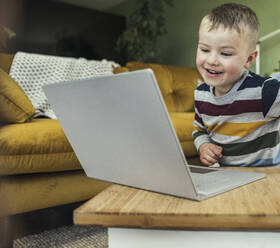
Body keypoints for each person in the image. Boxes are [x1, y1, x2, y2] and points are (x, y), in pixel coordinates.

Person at [192, 3, 280, 167]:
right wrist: (203, 146)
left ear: (249, 59)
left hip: (266, 176)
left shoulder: (265, 91)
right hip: (226, 177)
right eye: (204, 50)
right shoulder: (200, 94)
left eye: (225, 53)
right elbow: (199, 130)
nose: (211, 60)